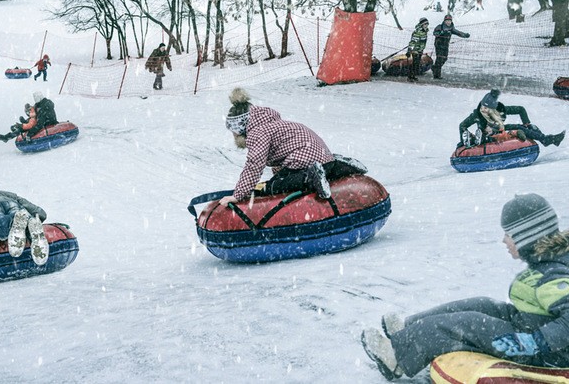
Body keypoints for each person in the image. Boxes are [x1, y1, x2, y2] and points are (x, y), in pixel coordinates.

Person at [361, 194, 569, 381]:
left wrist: (534, 342)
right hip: (529, 322)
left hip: (547, 351)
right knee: (482, 304)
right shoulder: (549, 261)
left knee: (470, 324)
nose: (503, 240)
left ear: (526, 237)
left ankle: (396, 357)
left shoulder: (553, 274)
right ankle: (408, 329)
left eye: (509, 234)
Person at [217, 88, 366, 207]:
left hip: (305, 159)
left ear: (241, 127)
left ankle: (310, 178)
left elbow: (254, 165)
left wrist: (238, 195)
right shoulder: (271, 123)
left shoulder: (258, 132)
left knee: (274, 186)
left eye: (234, 133)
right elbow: (281, 157)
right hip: (322, 156)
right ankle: (340, 166)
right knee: (291, 175)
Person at [458, 89, 565, 148]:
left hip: (500, 130)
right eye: (483, 107)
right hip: (486, 136)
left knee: (528, 127)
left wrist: (526, 123)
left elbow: (520, 109)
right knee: (519, 129)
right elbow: (462, 125)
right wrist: (464, 138)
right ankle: (546, 139)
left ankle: (547, 139)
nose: (484, 110)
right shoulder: (476, 115)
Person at [432, 14, 469, 79]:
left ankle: (434, 68)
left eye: (449, 21)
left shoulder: (451, 28)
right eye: (447, 21)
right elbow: (435, 33)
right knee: (439, 59)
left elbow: (458, 33)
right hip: (439, 45)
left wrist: (465, 35)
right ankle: (437, 75)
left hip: (446, 45)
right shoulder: (440, 27)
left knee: (445, 58)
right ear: (444, 21)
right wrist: (441, 32)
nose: (448, 22)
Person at [406, 18, 429, 82]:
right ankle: (410, 76)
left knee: (417, 63)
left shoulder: (424, 31)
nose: (426, 25)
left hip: (420, 50)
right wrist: (409, 49)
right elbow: (413, 41)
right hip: (415, 50)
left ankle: (413, 76)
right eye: (425, 24)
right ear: (421, 24)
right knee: (415, 63)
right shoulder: (418, 32)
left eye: (427, 24)